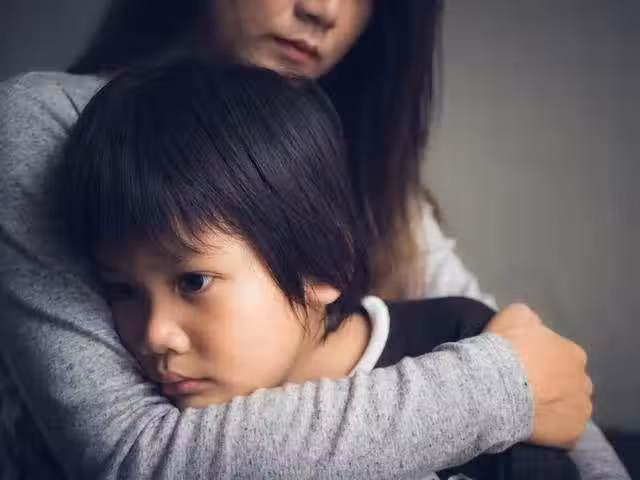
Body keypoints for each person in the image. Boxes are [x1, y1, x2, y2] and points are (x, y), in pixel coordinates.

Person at [0, 0, 604, 478]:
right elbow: (138, 456)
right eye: (120, 292)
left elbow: (538, 366)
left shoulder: (362, 169)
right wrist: (497, 390)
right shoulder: (47, 122)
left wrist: (520, 388)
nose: (324, 9)